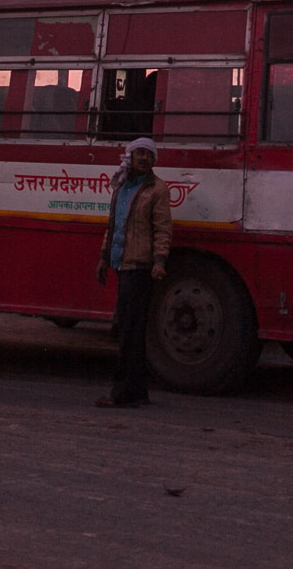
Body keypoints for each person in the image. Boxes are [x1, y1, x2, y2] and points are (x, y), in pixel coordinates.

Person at [95, 137, 173, 408]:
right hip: (121, 264)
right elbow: (113, 225)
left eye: (148, 155)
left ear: (153, 161)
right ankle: (138, 392)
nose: (143, 158)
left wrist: (160, 261)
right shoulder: (122, 185)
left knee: (128, 331)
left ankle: (121, 393)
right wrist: (104, 258)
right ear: (130, 157)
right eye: (139, 153)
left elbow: (163, 229)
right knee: (132, 330)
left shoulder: (157, 189)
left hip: (139, 267)